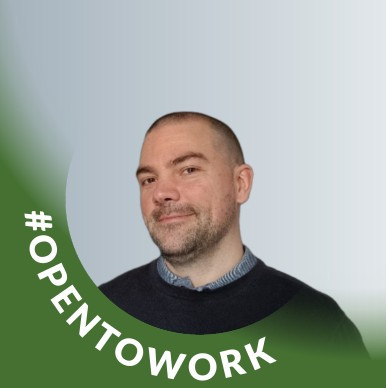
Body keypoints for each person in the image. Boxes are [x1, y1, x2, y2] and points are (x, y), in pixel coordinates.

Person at [99, 111, 368, 356]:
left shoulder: (318, 327)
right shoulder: (98, 317)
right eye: (149, 179)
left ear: (240, 184)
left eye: (188, 170)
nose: (161, 193)